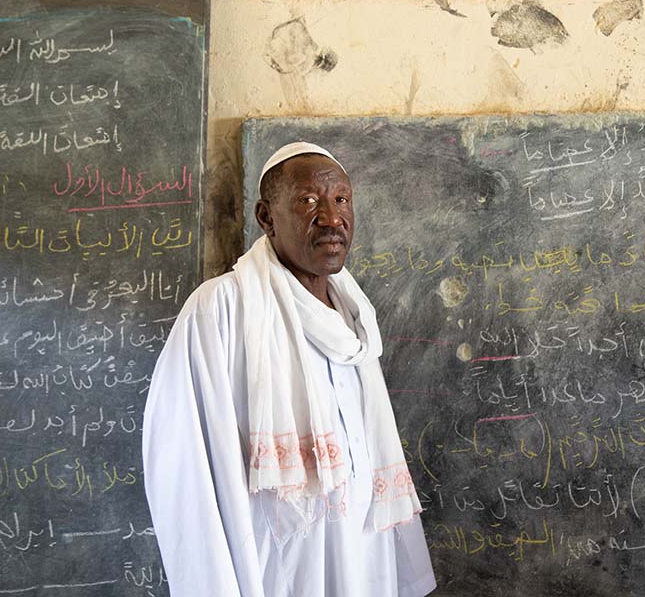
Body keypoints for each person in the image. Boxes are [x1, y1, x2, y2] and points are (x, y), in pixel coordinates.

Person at [142, 142, 437, 597]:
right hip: (272, 565)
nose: (331, 217)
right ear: (265, 216)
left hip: (361, 557)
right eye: (308, 201)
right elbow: (181, 468)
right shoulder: (223, 309)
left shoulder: (354, 317)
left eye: (341, 199)